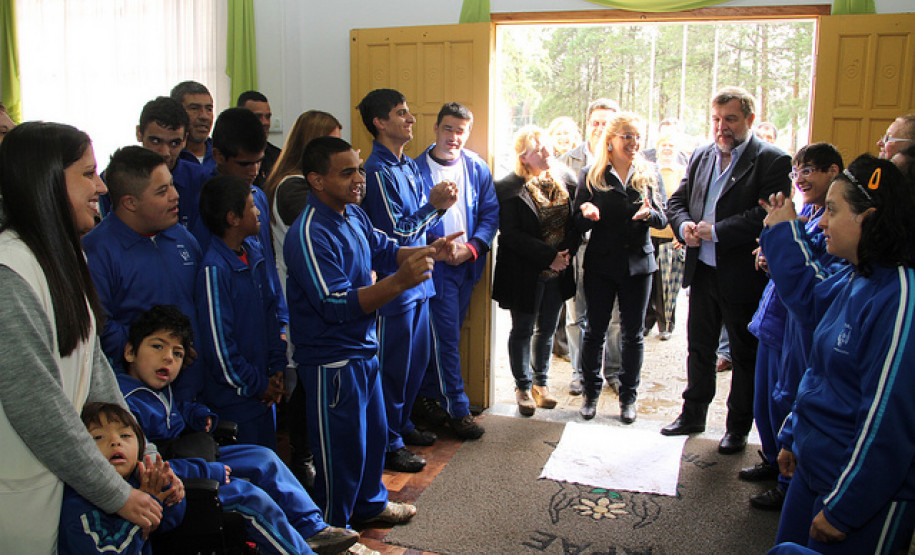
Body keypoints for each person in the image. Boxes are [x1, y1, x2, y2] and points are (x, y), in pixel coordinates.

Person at [0, 122, 179, 552]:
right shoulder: (11, 272)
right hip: (23, 499)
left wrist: (149, 461)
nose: (100, 186)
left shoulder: (61, 254)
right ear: (44, 181)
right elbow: (38, 409)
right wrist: (117, 494)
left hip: (68, 485)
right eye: (87, 173)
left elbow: (96, 374)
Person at [284, 136, 459, 527]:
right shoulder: (310, 232)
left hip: (363, 349)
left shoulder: (353, 215)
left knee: (372, 440)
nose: (358, 179)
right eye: (346, 172)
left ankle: (369, 505)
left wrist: (427, 251)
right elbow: (334, 305)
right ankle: (335, 531)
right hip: (332, 361)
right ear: (316, 180)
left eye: (359, 169)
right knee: (341, 455)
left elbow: (385, 247)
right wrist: (400, 282)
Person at [759, 155, 915, 553]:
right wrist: (794, 432)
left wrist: (846, 508)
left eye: (832, 209)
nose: (822, 221)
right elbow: (820, 368)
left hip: (857, 489)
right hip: (816, 464)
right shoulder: (857, 273)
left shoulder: (898, 295)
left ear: (867, 218)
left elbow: (887, 420)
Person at [115, 306, 359, 554]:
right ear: (130, 352)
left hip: (190, 457)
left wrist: (197, 415)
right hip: (174, 481)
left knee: (264, 458)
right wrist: (209, 470)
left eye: (177, 353)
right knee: (249, 497)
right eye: (158, 347)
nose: (168, 357)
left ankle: (312, 528)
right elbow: (147, 466)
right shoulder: (124, 405)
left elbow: (173, 413)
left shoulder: (154, 390)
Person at [663, 86, 792, 455]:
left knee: (743, 353)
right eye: (717, 120)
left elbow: (766, 214)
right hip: (702, 271)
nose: (722, 127)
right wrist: (684, 224)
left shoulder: (772, 160)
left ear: (749, 119)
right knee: (699, 348)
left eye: (731, 119)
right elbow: (677, 201)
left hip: (742, 274)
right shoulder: (702, 154)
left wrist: (717, 231)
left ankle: (737, 428)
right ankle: (693, 415)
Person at [357, 89, 473, 460]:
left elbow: (420, 223)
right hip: (396, 288)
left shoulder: (407, 164)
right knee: (392, 370)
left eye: (409, 113)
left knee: (415, 366)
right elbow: (395, 235)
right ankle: (388, 441)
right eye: (401, 113)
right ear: (379, 122)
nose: (410, 119)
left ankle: (402, 424)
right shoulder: (376, 171)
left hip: (421, 282)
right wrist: (434, 207)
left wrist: (438, 217)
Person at [740, 143, 844, 512]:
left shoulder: (832, 222)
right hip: (773, 324)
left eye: (809, 171)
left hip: (796, 331)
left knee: (787, 400)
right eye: (795, 172)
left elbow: (815, 275)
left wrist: (786, 238)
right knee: (765, 401)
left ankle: (787, 482)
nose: (800, 179)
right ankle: (772, 459)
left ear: (833, 173)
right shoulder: (807, 214)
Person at [83, 146, 205, 401]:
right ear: (130, 202)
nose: (176, 196)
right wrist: (151, 354)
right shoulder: (98, 252)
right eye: (162, 191)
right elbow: (99, 325)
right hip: (135, 395)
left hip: (190, 388)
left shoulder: (182, 238)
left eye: (172, 185)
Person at [264, 108, 343, 488]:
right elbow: (324, 230)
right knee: (303, 384)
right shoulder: (293, 186)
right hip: (297, 293)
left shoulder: (301, 183)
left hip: (308, 291)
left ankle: (309, 454)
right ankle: (302, 457)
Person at [573, 113, 667, 422]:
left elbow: (663, 219)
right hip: (601, 265)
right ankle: (590, 394)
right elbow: (575, 220)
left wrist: (649, 216)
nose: (633, 142)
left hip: (639, 265)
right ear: (610, 141)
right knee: (594, 331)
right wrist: (586, 212)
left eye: (637, 136)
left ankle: (629, 398)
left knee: (633, 335)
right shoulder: (592, 174)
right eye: (626, 136)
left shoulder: (649, 173)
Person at [414, 102, 499, 439]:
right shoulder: (414, 170)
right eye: (448, 128)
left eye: (461, 130)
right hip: (434, 267)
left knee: (441, 336)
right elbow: (408, 219)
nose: (454, 136)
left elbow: (490, 214)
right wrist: (438, 244)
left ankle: (428, 398)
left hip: (467, 267)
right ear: (436, 129)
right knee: (446, 339)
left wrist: (472, 248)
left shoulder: (476, 167)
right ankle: (459, 410)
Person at [493, 126, 580, 417]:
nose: (547, 154)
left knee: (546, 330)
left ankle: (541, 384)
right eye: (538, 151)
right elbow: (511, 235)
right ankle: (522, 386)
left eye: (547, 147)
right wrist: (548, 258)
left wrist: (564, 255)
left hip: (559, 269)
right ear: (523, 157)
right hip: (524, 272)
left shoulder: (566, 177)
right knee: (522, 329)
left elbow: (573, 221)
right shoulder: (508, 187)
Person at [195, 175, 287, 448]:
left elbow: (271, 315)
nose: (258, 210)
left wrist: (276, 367)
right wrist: (259, 384)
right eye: (251, 206)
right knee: (247, 473)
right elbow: (221, 350)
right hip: (236, 401)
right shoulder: (214, 270)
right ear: (233, 218)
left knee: (269, 463)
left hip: (263, 393)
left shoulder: (254, 253)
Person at [58, 403, 186, 555]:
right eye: (98, 437)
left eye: (125, 435)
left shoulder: (137, 482)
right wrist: (143, 514)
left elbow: (170, 521)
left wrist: (166, 490)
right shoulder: (77, 504)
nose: (115, 442)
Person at [559, 98, 623, 396]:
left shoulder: (623, 158)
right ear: (588, 124)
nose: (600, 128)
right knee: (576, 317)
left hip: (610, 251)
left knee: (613, 317)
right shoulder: (568, 161)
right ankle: (579, 373)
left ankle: (614, 372)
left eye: (607, 123)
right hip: (576, 249)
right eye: (595, 122)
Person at [99, 96, 211, 226]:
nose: (165, 152)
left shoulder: (202, 180)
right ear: (139, 133)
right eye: (156, 141)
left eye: (174, 143)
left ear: (185, 139)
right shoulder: (114, 178)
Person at [644, 132, 687, 341]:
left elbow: (684, 204)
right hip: (650, 232)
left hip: (672, 235)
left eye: (671, 144)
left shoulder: (681, 173)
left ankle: (666, 324)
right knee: (650, 282)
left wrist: (681, 234)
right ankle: (647, 322)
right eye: (663, 145)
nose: (667, 148)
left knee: (668, 283)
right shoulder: (649, 171)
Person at [237, 90, 283, 189]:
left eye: (268, 117)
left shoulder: (278, 157)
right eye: (258, 117)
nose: (265, 122)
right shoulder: (229, 156)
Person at [171, 80, 216, 174]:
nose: (204, 116)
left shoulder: (222, 157)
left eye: (209, 109)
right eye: (194, 108)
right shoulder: (169, 157)